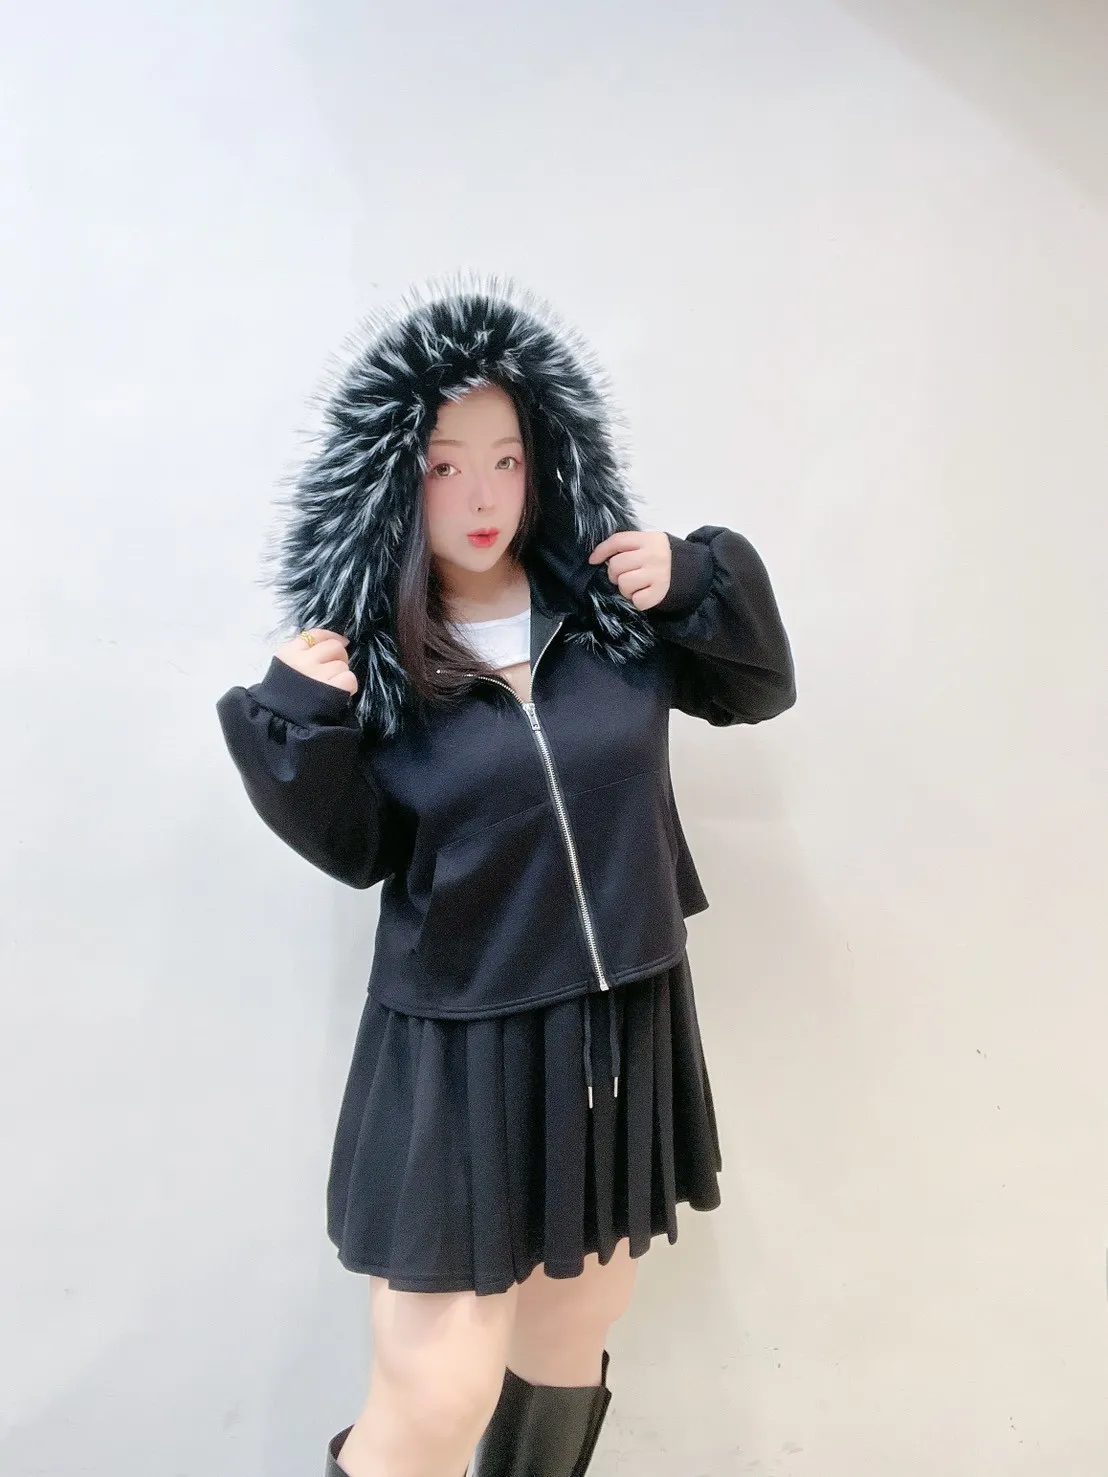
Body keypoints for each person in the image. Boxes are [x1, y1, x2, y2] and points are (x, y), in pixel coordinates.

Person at [216, 282, 796, 1477]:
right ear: (392, 478)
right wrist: (299, 726)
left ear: (546, 461)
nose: (481, 498)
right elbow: (359, 850)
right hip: (461, 1040)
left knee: (573, 1327)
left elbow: (754, 690)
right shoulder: (366, 659)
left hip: (618, 1015)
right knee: (437, 1391)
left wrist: (695, 580)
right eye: (442, 466)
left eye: (506, 460)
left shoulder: (612, 610)